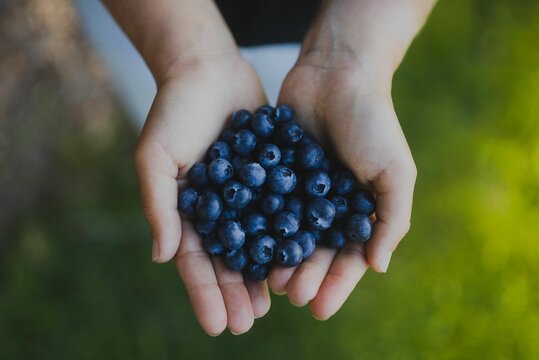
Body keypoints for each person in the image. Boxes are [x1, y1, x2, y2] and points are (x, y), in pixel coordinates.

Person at [101, 0, 435, 336]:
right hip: (154, 22)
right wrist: (184, 58)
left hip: (320, 31)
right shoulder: (243, 182)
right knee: (159, 105)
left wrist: (352, 59)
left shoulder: (293, 191)